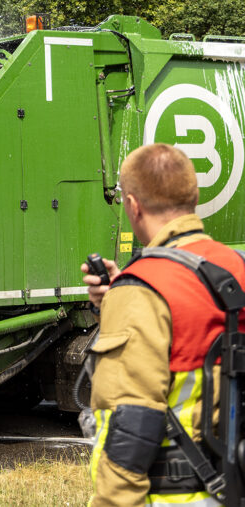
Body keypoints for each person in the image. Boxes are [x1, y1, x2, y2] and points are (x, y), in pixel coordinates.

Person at [81, 143, 242, 506]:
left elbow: (128, 430)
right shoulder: (237, 268)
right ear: (194, 197)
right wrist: (121, 300)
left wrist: (133, 296)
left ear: (134, 206)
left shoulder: (144, 289)